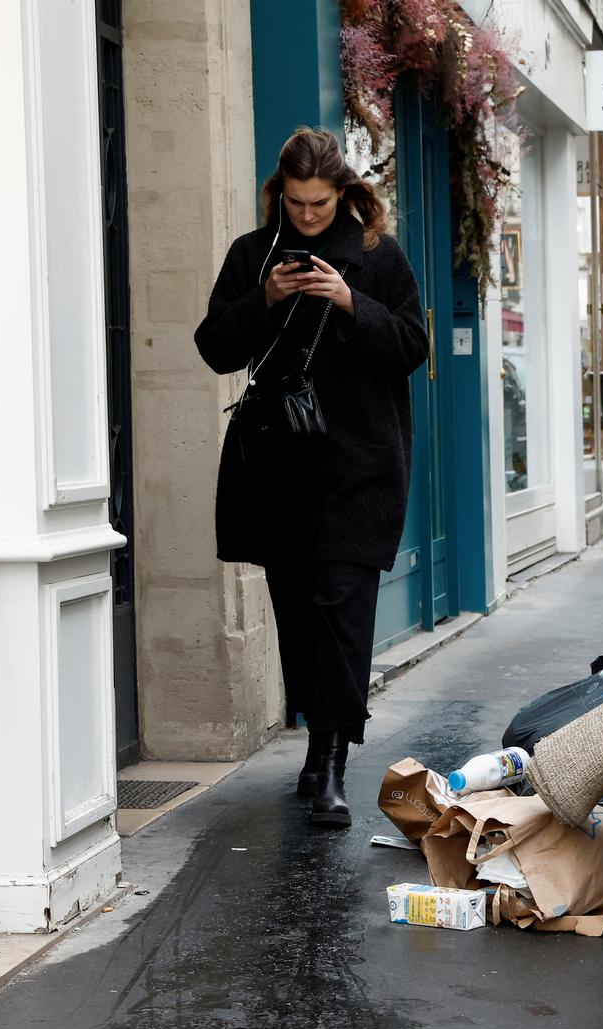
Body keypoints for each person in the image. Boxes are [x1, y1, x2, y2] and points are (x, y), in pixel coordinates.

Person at [195, 127, 428, 827]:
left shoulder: (375, 256)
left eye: (320, 204)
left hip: (360, 463)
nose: (306, 216)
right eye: (296, 203)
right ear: (281, 193)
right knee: (298, 615)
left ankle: (330, 761)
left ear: (343, 192)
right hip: (280, 464)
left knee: (342, 608)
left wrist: (352, 302)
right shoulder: (254, 254)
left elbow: (413, 344)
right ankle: (315, 739)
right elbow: (213, 348)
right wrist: (263, 297)